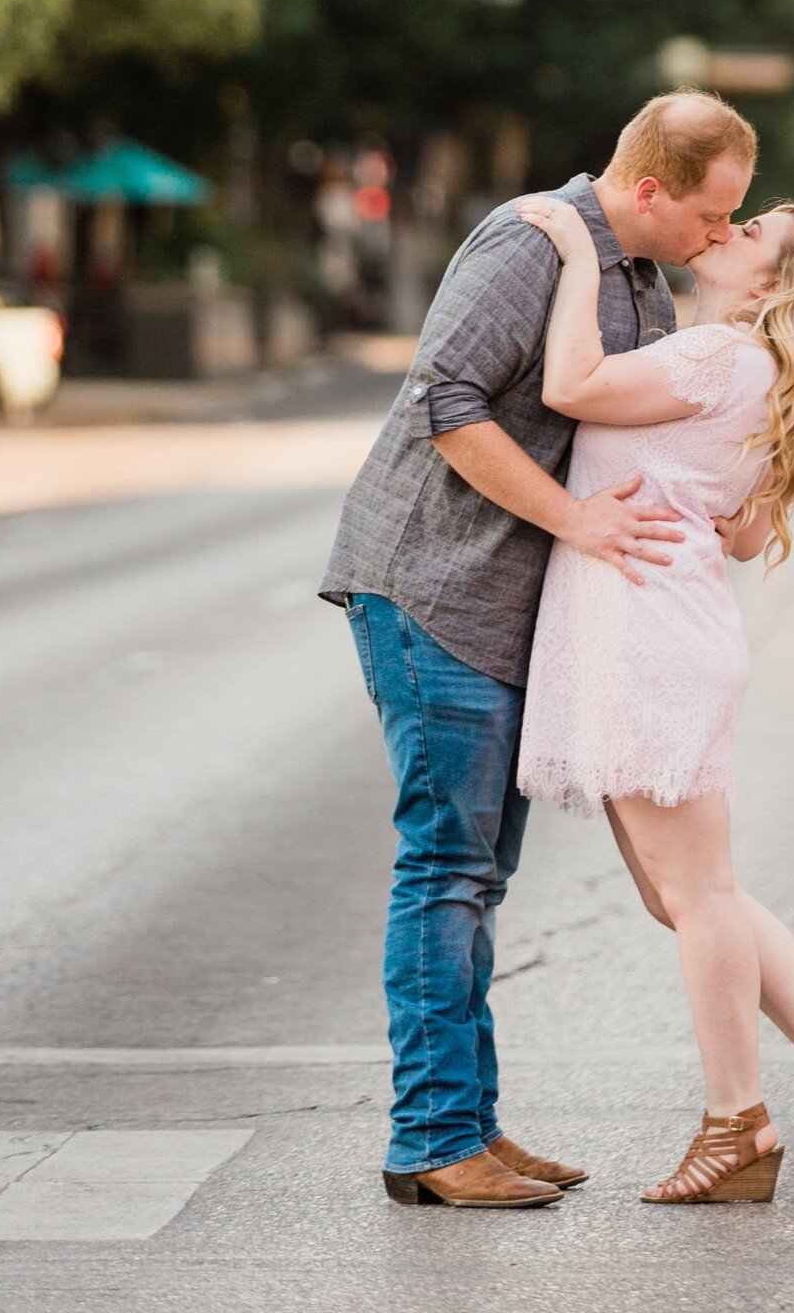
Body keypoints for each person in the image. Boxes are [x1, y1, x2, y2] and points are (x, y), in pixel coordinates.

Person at [320, 92, 759, 1211]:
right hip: (434, 589)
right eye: (711, 215)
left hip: (501, 608)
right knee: (448, 870)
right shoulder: (530, 242)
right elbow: (445, 405)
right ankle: (431, 1138)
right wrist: (578, 524)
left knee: (480, 875)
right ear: (651, 187)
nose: (719, 237)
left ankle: (470, 1121)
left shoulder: (641, 280)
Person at [513, 186, 794, 1209]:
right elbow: (742, 533)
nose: (729, 231)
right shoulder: (766, 377)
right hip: (665, 625)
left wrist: (578, 248)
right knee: (687, 894)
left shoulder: (718, 357)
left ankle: (737, 1121)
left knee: (694, 896)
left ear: (771, 284)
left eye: (752, 233)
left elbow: (569, 382)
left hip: (649, 636)